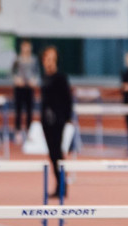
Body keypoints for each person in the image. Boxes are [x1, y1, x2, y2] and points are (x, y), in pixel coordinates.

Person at [40, 46, 73, 198]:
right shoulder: (45, 77)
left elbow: (68, 100)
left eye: (51, 59)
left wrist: (66, 118)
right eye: (46, 59)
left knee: (57, 153)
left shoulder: (61, 77)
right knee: (52, 154)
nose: (48, 62)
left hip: (57, 121)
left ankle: (62, 185)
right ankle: (59, 184)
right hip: (46, 122)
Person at [12, 40, 40, 144]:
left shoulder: (33, 59)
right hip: (19, 88)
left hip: (29, 88)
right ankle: (18, 132)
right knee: (18, 110)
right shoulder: (17, 59)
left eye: (28, 47)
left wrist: (34, 80)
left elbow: (37, 73)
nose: (26, 49)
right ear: (21, 47)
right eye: (24, 47)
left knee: (29, 110)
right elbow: (12, 72)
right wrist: (16, 79)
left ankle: (29, 132)